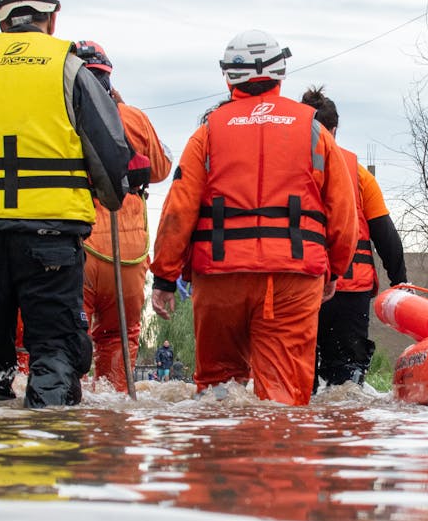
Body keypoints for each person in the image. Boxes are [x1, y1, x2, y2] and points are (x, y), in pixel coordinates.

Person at [0, 0, 134, 408]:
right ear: (51, 18)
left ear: (0, 20)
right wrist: (113, 193)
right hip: (51, 239)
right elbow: (111, 156)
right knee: (54, 352)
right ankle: (47, 447)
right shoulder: (68, 67)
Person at [150, 30, 357, 406]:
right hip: (292, 278)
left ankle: (219, 462)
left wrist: (164, 276)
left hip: (219, 276)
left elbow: (178, 209)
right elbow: (343, 212)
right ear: (281, 73)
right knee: (282, 399)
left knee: (216, 392)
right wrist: (337, 269)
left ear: (228, 77)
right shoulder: (314, 130)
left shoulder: (207, 132)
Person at [74, 41, 173, 392]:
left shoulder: (60, 113)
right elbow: (161, 169)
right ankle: (113, 423)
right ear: (108, 78)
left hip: (77, 246)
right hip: (127, 256)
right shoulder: (134, 117)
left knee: (64, 337)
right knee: (118, 339)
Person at [300, 86, 407, 389]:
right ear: (334, 130)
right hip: (350, 289)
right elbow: (385, 234)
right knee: (347, 378)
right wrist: (400, 282)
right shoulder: (359, 175)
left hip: (302, 287)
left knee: (298, 377)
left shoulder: (288, 172)